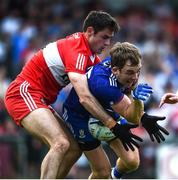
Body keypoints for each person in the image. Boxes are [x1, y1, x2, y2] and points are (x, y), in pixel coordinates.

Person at [4, 11, 121, 179]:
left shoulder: (89, 55)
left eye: (110, 38)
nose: (108, 43)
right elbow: (85, 98)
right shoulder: (78, 50)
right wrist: (112, 123)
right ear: (89, 31)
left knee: (73, 149)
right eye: (104, 37)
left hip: (40, 100)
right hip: (23, 93)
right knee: (60, 143)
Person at [61, 42, 169, 179]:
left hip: (105, 108)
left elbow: (129, 102)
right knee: (102, 172)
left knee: (132, 161)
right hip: (79, 116)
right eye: (130, 72)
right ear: (115, 70)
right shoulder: (104, 85)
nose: (135, 77)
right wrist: (138, 103)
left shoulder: (120, 64)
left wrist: (143, 114)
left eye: (138, 71)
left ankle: (113, 177)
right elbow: (132, 116)